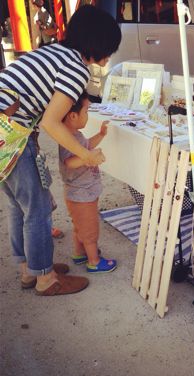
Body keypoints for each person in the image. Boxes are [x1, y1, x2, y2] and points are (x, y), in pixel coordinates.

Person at [0, 5, 121, 295]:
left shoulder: (54, 52)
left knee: (19, 205)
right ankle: (45, 278)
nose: (108, 56)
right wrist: (88, 155)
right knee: (38, 208)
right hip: (11, 132)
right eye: (109, 48)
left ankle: (30, 269)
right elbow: (54, 122)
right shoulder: (75, 67)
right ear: (97, 42)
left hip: (8, 130)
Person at [59, 91, 117, 273]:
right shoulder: (67, 139)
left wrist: (100, 135)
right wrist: (88, 158)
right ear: (73, 115)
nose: (88, 116)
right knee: (90, 230)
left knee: (80, 226)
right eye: (86, 112)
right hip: (81, 194)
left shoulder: (74, 134)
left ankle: (79, 253)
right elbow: (69, 161)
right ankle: (94, 261)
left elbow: (85, 148)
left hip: (83, 192)